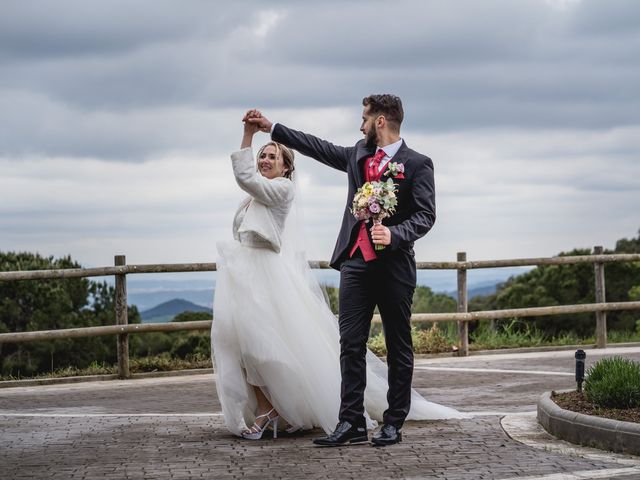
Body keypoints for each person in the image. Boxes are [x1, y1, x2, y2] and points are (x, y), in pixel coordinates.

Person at [246, 94, 451, 446]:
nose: (361, 125)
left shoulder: (418, 164)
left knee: (398, 344)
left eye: (364, 118)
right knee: (350, 344)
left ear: (380, 122)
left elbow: (425, 215)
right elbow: (318, 147)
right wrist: (272, 128)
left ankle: (393, 423)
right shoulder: (358, 154)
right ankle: (351, 422)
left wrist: (395, 233)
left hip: (395, 267)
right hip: (355, 262)